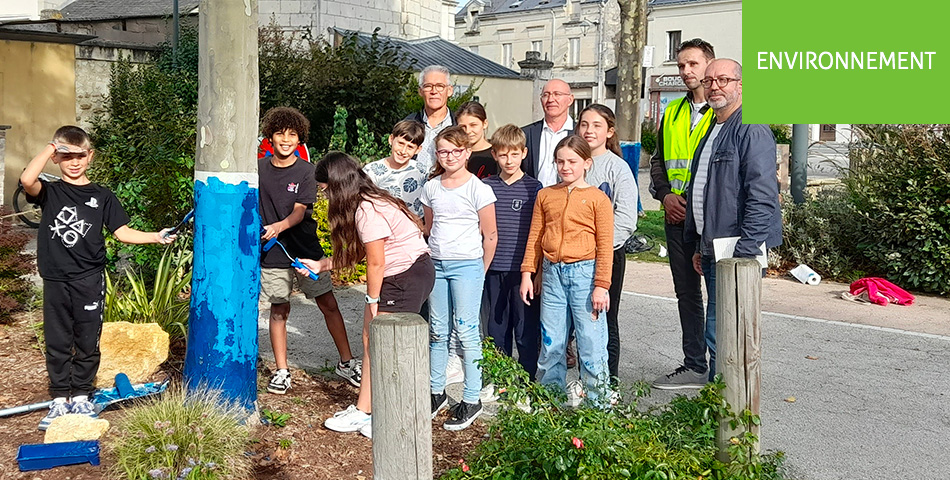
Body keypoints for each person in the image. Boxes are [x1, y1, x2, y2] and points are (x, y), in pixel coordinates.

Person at [19, 126, 177, 430]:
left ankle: (81, 395)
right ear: (56, 158)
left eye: (80, 155)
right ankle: (59, 400)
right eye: (66, 156)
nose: (74, 162)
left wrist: (156, 237)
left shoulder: (102, 196)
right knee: (58, 340)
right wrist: (53, 147)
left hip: (89, 278)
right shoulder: (50, 192)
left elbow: (122, 233)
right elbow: (27, 179)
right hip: (55, 278)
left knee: (87, 340)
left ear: (90, 157)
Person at [306, 152, 436, 439]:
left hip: (405, 276)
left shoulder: (367, 210)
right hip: (404, 273)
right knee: (370, 340)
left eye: (325, 190)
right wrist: (323, 264)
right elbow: (365, 254)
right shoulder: (367, 200)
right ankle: (364, 409)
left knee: (387, 346)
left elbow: (376, 262)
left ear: (338, 185)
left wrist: (372, 301)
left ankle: (390, 415)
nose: (324, 196)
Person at [683, 59, 782, 381]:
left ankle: (724, 407)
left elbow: (762, 194)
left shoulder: (750, 128)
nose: (715, 86)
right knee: (720, 325)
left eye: (723, 79)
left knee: (723, 328)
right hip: (714, 245)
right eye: (709, 80)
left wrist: (746, 250)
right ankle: (718, 397)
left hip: (735, 248)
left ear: (741, 85)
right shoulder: (712, 127)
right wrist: (701, 244)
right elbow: (710, 193)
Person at [258, 107, 360, 395]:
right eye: (280, 133)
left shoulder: (307, 171)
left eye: (292, 134)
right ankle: (281, 370)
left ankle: (347, 362)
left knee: (328, 304)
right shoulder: (259, 169)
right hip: (272, 254)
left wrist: (277, 227)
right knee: (279, 310)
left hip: (305, 249)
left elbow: (300, 213)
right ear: (270, 137)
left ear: (300, 138)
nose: (286, 139)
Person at [520, 135, 614, 407]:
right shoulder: (546, 195)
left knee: (590, 343)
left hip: (585, 275)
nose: (565, 167)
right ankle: (552, 400)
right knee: (551, 342)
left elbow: (605, 245)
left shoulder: (597, 199)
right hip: (552, 275)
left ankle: (598, 407)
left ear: (586, 163)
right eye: (560, 161)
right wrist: (528, 273)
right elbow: (535, 235)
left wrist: (601, 285)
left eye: (572, 161)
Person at [651, 39, 718, 390]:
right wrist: (664, 196)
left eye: (692, 64)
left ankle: (721, 368)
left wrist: (688, 201)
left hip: (708, 220)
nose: (686, 71)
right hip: (676, 218)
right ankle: (695, 365)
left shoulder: (724, 113)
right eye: (681, 65)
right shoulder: (673, 111)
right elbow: (659, 161)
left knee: (718, 296)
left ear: (710, 65)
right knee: (687, 294)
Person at [422, 125, 497, 431]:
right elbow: (429, 227)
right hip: (437, 265)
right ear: (437, 154)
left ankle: (471, 397)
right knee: (438, 331)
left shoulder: (478, 189)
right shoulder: (432, 187)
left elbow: (490, 235)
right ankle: (435, 391)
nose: (449, 156)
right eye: (443, 151)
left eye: (456, 151)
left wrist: (481, 270)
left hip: (467, 266)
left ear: (467, 153)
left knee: (466, 333)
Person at [577, 104, 639, 383]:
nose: (589, 130)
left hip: (607, 255)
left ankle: (608, 381)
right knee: (579, 320)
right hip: (572, 257)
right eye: (584, 124)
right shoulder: (572, 162)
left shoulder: (618, 168)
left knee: (604, 318)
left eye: (596, 125)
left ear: (609, 131)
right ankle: (584, 378)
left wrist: (597, 247)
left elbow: (626, 218)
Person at [481, 125, 543, 380]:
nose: (509, 160)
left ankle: (527, 380)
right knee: (496, 327)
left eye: (514, 154)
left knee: (526, 329)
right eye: (503, 155)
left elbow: (539, 233)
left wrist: (536, 272)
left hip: (523, 271)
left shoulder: (534, 188)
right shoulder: (484, 186)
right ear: (494, 154)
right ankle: (500, 379)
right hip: (493, 268)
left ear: (524, 153)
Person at [362, 119, 427, 219]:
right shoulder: (371, 171)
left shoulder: (422, 172)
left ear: (418, 149)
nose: (403, 151)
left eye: (410, 147)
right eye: (400, 143)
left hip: (414, 229)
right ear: (391, 139)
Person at [522, 79, 575, 187]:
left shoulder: (580, 133)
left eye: (557, 94)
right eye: (546, 95)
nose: (550, 99)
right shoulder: (526, 134)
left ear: (570, 100)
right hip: (534, 200)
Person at [405, 65, 457, 174]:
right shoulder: (408, 124)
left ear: (449, 91)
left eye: (440, 86)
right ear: (420, 91)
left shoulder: (459, 125)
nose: (434, 91)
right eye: (428, 86)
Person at [457, 101, 497, 179]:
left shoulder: (499, 153)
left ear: (485, 124)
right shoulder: (455, 155)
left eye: (473, 125)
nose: (468, 131)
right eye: (463, 127)